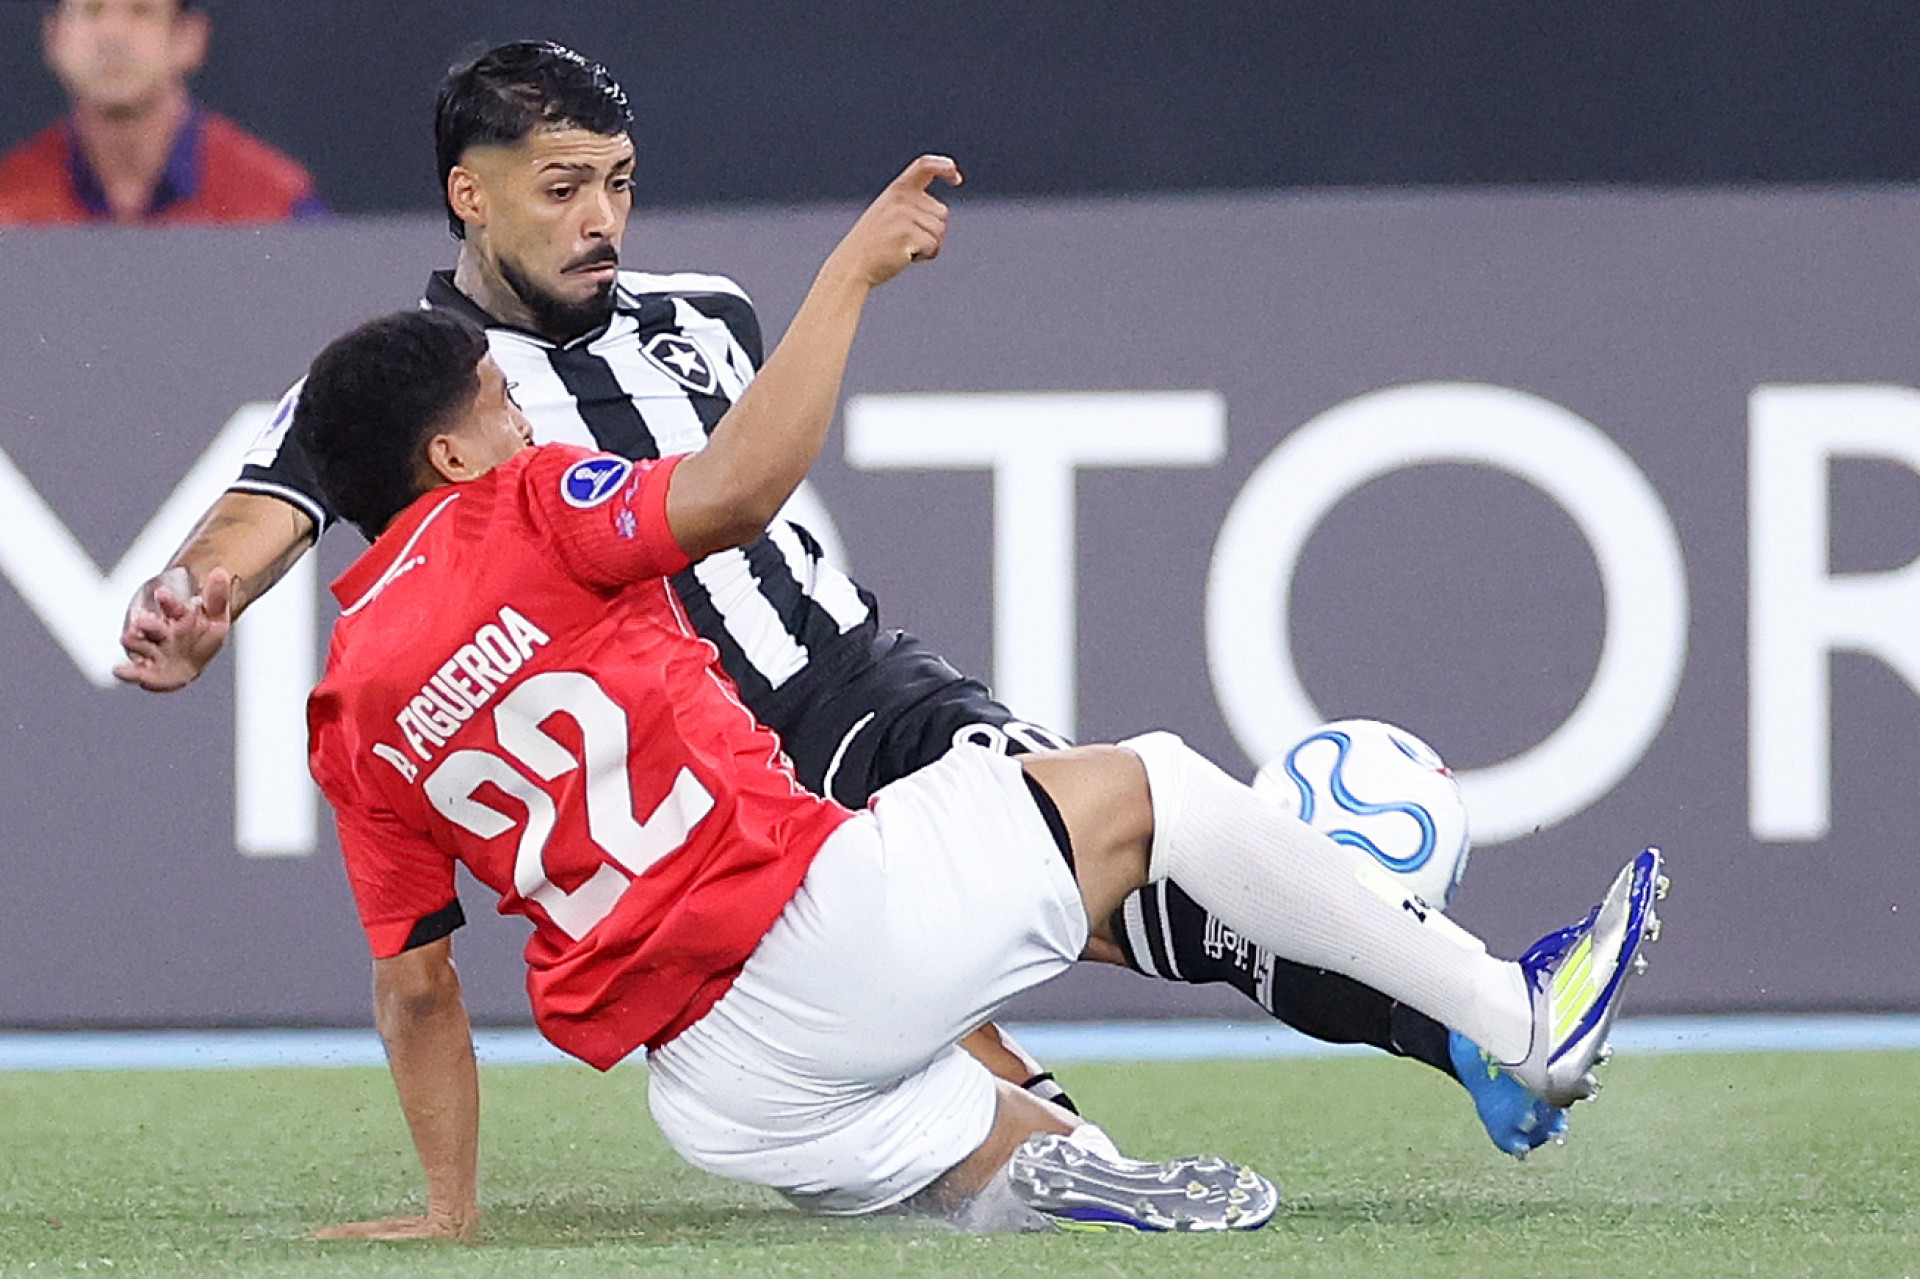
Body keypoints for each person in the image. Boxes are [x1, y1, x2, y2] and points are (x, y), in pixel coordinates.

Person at [115, 40, 1561, 1154]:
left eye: (619, 180)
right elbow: (262, 510)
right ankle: (1302, 1077)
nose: (601, 217)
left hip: (866, 683)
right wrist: (196, 595)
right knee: (1051, 973)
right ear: (468, 194)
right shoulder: (413, 389)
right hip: (712, 782)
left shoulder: (707, 315)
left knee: (1130, 870)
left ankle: (1453, 1037)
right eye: (562, 189)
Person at [288, 207, 1661, 1232]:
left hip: (716, 1093)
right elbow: (733, 489)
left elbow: (418, 988)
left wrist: (450, 1209)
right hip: (813, 930)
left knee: (1007, 1144)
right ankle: (1514, 1013)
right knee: (1153, 786)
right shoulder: (528, 504)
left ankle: (1051, 1169)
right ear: (449, 456)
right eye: (500, 408)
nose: (526, 424)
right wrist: (849, 275)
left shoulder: (346, 705)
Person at [0, 0, 323, 225]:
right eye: (91, 10)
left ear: (190, 38)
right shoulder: (8, 204)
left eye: (141, 10)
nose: (113, 34)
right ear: (53, 36)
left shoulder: (276, 204)